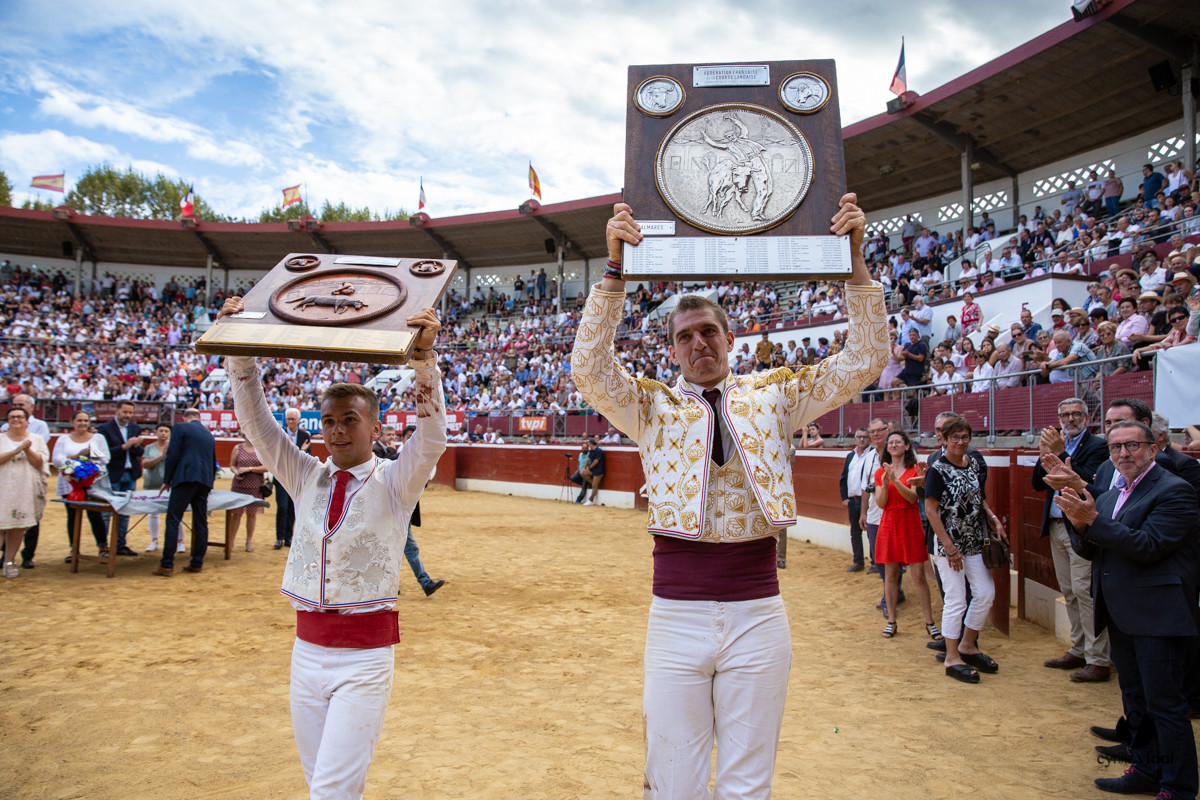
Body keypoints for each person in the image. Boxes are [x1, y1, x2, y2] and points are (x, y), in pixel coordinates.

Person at [572, 195, 887, 798]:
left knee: (748, 783)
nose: (698, 345)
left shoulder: (775, 395)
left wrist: (855, 262)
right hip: (675, 612)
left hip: (758, 610)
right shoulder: (650, 405)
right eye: (685, 337)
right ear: (671, 351)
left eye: (708, 331)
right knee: (673, 781)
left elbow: (865, 357)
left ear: (730, 337)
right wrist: (612, 273)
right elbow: (589, 369)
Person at [220, 297, 447, 799]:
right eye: (328, 421)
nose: (337, 430)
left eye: (349, 420)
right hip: (305, 652)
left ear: (375, 428)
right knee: (321, 783)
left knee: (331, 791)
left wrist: (424, 362)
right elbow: (258, 426)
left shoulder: (395, 481)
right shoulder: (306, 475)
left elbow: (431, 437)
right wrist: (239, 352)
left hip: (365, 657)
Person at [1055, 421, 1199, 799]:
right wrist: (1078, 525)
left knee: (1165, 705)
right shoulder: (1110, 494)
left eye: (1133, 446)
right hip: (1121, 611)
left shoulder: (1175, 490)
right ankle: (1147, 769)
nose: (1123, 454)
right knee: (1134, 697)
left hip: (1159, 615)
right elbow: (1094, 549)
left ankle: (1179, 787)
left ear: (1153, 448)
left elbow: (1150, 546)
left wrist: (1093, 522)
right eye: (1116, 448)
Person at [1031, 397, 1112, 683]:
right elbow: (1037, 483)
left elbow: (1086, 481)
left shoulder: (1098, 446)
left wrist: (1060, 452)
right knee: (1068, 589)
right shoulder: (1056, 443)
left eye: (1076, 414)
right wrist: (1045, 456)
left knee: (1085, 590)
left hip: (1079, 526)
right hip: (1056, 524)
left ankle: (1099, 659)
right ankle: (1079, 649)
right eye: (1065, 414)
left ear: (1087, 417)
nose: (1070, 419)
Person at [924, 417, 1006, 683]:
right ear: (944, 440)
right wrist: (949, 547)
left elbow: (978, 499)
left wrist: (993, 519)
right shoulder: (937, 469)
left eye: (965, 437)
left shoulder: (971, 463)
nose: (960, 442)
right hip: (948, 545)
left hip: (972, 541)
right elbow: (930, 510)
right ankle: (951, 657)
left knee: (985, 593)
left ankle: (967, 645)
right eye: (955, 438)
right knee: (956, 599)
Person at [874, 432, 939, 641]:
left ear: (907, 446)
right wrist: (885, 484)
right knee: (891, 575)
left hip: (909, 522)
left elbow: (913, 498)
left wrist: (895, 480)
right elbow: (881, 503)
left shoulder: (914, 470)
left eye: (897, 442)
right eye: (890, 442)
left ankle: (930, 622)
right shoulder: (879, 472)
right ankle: (891, 621)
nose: (893, 445)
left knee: (918, 575)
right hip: (889, 522)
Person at [373, 428, 446, 598]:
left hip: (395, 509)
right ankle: (423, 582)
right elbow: (383, 465)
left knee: (393, 547)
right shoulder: (380, 450)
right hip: (388, 508)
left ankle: (393, 583)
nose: (391, 438)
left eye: (393, 435)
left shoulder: (400, 454)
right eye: (389, 435)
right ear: (382, 436)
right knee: (404, 548)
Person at [153, 408, 216, 576]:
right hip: (204, 481)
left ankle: (167, 564)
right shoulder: (208, 434)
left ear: (184, 417)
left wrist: (167, 480)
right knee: (201, 522)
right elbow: (212, 461)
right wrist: (209, 484)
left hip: (185, 478)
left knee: (173, 519)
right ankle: (197, 562)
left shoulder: (180, 428)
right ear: (199, 418)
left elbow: (173, 455)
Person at [51, 410, 111, 560]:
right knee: (72, 516)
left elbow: (106, 459)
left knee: (95, 515)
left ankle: (103, 546)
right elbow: (56, 460)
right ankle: (74, 549)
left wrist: (90, 456)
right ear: (72, 422)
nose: (83, 423)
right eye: (79, 420)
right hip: (70, 483)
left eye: (85, 420)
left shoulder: (98, 438)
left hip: (93, 483)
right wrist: (78, 456)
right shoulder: (64, 439)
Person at [0, 394, 50, 569]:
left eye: (20, 417)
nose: (16, 420)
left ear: (27, 420)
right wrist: (16, 451)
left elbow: (40, 463)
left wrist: (27, 451)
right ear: (7, 420)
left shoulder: (37, 440)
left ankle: (9, 562)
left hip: (25, 489)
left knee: (18, 528)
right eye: (12, 417)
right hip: (2, 488)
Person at [97, 400, 143, 556]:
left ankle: (120, 545)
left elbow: (139, 453)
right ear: (116, 411)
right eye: (125, 412)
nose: (128, 415)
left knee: (125, 511)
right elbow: (103, 453)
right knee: (106, 511)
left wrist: (137, 446)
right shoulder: (104, 429)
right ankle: (103, 547)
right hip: (113, 473)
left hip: (130, 474)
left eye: (130, 412)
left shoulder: (135, 428)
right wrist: (125, 446)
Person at [275, 408, 311, 549]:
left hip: (297, 478)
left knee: (292, 508)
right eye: (288, 419)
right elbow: (279, 456)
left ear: (298, 420)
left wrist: (302, 453)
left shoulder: (305, 435)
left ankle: (288, 537)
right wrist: (300, 451)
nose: (290, 422)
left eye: (293, 419)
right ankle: (279, 537)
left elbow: (308, 458)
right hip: (281, 475)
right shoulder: (280, 434)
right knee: (282, 508)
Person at [140, 424, 178, 553]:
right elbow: (145, 464)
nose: (163, 433)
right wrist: (161, 456)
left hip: (170, 484)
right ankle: (154, 541)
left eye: (166, 431)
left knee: (175, 514)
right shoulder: (149, 447)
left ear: (170, 434)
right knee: (153, 515)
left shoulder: (175, 447)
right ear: (156, 432)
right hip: (152, 483)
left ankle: (180, 542)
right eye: (160, 431)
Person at [838, 428, 871, 572]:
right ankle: (858, 561)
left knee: (871, 531)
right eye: (859, 437)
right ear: (855, 439)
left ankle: (876, 562)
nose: (862, 439)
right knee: (855, 532)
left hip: (869, 501)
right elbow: (844, 478)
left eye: (865, 437)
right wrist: (845, 497)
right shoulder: (850, 456)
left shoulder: (872, 455)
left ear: (869, 439)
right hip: (853, 500)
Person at [228, 435, 267, 552]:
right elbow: (232, 465)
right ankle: (230, 541)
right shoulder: (237, 448)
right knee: (236, 514)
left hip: (255, 485)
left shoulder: (260, 449)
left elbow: (266, 467)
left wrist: (249, 469)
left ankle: (248, 541)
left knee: (251, 514)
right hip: (239, 485)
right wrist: (237, 472)